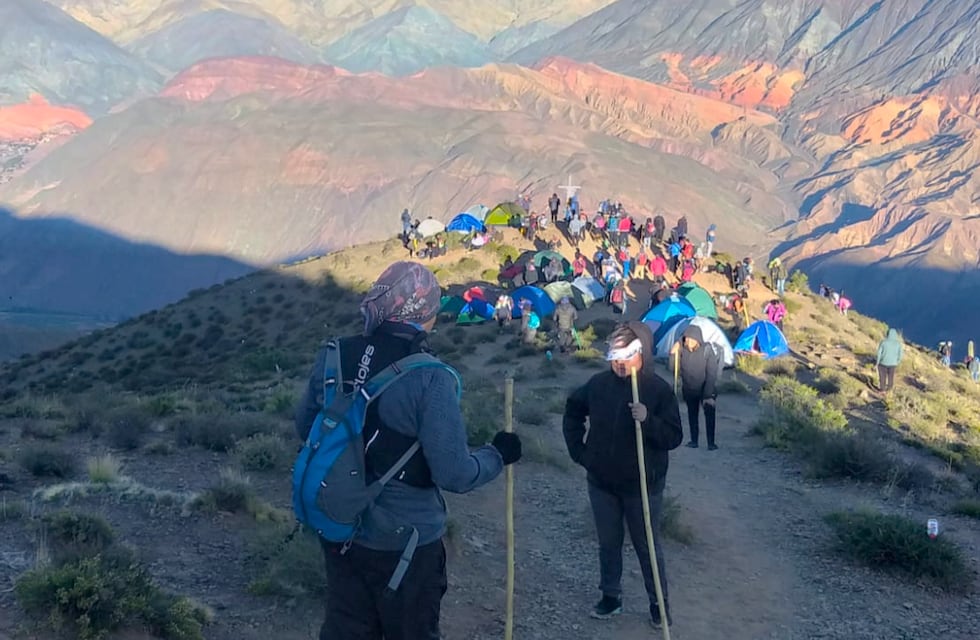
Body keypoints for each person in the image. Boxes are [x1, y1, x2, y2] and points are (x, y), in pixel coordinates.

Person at [295, 261, 522, 640]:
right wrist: (497, 454)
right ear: (423, 313)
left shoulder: (335, 353)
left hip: (339, 521)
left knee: (346, 626)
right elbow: (455, 474)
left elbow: (306, 427)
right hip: (405, 542)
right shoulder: (429, 376)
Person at [563, 322, 683, 629]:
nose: (619, 363)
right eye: (614, 356)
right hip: (602, 481)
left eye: (626, 356)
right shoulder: (598, 385)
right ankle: (611, 596)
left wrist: (649, 420)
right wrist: (580, 452)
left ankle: (659, 604)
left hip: (642, 485)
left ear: (641, 353)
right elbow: (573, 410)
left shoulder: (658, 390)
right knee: (608, 542)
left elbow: (673, 436)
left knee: (646, 545)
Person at [673, 325, 721, 450]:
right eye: (686, 339)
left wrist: (708, 394)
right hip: (690, 389)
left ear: (698, 339)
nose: (688, 342)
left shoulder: (707, 350)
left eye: (691, 339)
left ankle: (711, 443)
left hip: (706, 389)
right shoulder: (682, 350)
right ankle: (694, 441)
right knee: (692, 416)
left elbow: (712, 374)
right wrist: (674, 351)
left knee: (709, 416)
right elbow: (673, 368)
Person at [875, 328, 904, 393]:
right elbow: (901, 354)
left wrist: (877, 362)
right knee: (891, 377)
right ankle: (889, 390)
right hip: (893, 364)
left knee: (882, 377)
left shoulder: (883, 342)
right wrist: (897, 362)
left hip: (883, 363)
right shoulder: (898, 344)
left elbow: (879, 353)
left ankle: (882, 390)